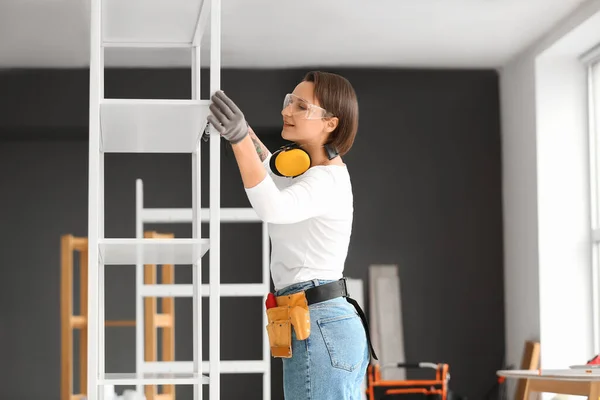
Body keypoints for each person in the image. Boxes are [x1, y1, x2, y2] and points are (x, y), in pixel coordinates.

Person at [207, 71, 376, 400]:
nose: (287, 111)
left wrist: (240, 137)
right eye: (289, 102)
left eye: (301, 106)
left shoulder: (327, 180)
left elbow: (274, 207)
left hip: (319, 323)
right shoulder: (307, 169)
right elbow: (268, 166)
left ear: (330, 123)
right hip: (318, 322)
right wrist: (238, 134)